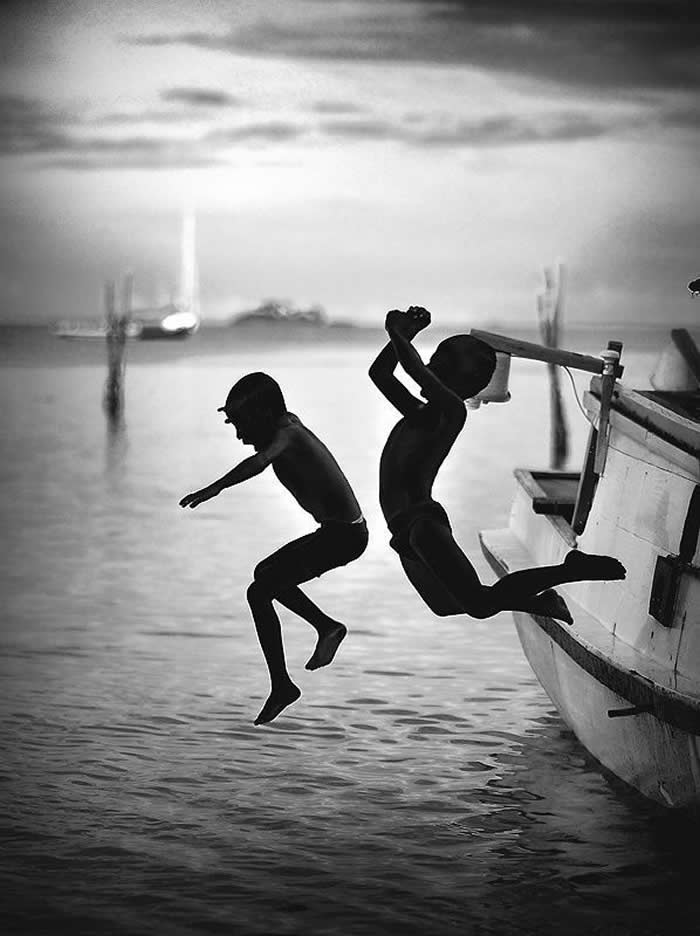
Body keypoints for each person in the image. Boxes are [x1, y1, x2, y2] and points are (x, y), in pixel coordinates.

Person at [369, 306, 625, 624]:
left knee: (478, 603)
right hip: (402, 525)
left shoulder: (449, 412)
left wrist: (397, 332)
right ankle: (541, 603)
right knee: (444, 604)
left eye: (436, 367)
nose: (428, 368)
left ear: (454, 382)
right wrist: (404, 335)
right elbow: (379, 374)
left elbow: (413, 368)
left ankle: (571, 569)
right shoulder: (419, 412)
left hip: (422, 523)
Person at [180, 372, 368, 725]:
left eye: (242, 424)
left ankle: (304, 657)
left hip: (345, 537)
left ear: (264, 414)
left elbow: (260, 461)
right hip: (338, 532)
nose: (239, 435)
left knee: (261, 587)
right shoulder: (287, 426)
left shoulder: (288, 434)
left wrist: (216, 488)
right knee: (262, 580)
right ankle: (315, 641)